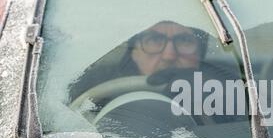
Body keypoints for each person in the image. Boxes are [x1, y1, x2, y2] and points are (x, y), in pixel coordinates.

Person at [69, 20, 209, 102]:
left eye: (184, 40)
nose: (169, 56)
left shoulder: (223, 95)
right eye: (155, 40)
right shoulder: (89, 90)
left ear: (200, 54)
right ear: (134, 52)